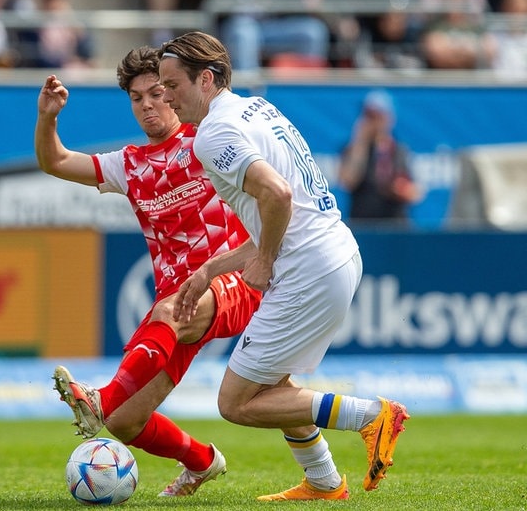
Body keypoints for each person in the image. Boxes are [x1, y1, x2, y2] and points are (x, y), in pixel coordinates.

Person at [156, 31, 409, 501]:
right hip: (335, 251)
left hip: (309, 268)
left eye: (172, 85)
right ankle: (324, 481)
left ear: (205, 79)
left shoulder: (213, 134)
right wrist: (214, 268)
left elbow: (278, 195)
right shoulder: (256, 108)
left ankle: (370, 416)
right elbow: (277, 208)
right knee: (274, 384)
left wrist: (265, 261)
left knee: (235, 403)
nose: (166, 97)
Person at [37, 46, 262, 497]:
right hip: (177, 301)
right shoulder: (130, 163)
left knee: (168, 314)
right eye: (136, 98)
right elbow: (56, 161)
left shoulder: (208, 140)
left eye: (156, 93)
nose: (147, 105)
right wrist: (48, 118)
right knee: (125, 422)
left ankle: (101, 399)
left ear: (173, 92)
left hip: (234, 281)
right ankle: (202, 461)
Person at [338, 89, 421, 223]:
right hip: (363, 226)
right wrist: (360, 143)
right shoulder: (351, 149)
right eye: (367, 115)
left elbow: (415, 193)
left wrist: (399, 189)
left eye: (375, 116)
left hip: (395, 225)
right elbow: (347, 182)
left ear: (388, 118)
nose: (371, 122)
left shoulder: (399, 150)